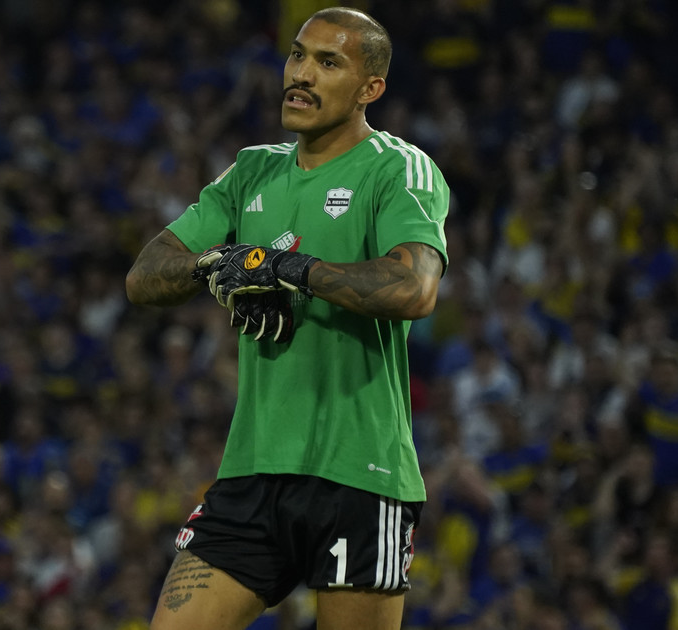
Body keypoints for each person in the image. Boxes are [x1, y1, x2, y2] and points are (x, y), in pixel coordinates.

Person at [125, 7, 449, 630]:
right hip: (251, 473)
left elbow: (414, 288)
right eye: (297, 54)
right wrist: (219, 262)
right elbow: (145, 275)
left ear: (370, 88)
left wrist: (289, 269)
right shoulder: (253, 169)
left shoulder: (398, 168)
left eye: (328, 62)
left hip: (360, 475)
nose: (301, 74)